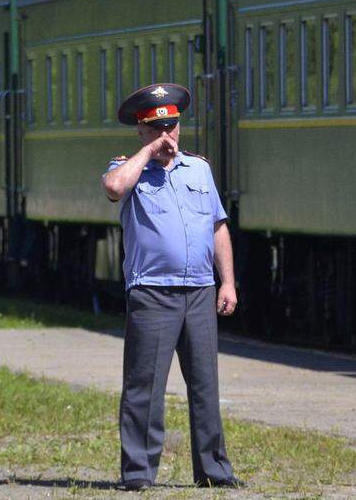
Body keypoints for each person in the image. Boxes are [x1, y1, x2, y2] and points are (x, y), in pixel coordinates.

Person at [101, 82, 242, 492]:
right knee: (144, 388)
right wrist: (147, 155)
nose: (169, 136)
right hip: (152, 293)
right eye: (158, 128)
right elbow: (112, 188)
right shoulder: (128, 168)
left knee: (205, 386)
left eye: (174, 127)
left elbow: (218, 226)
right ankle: (139, 474)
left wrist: (227, 281)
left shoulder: (199, 169)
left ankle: (214, 470)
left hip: (198, 290)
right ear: (142, 131)